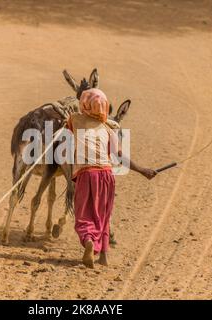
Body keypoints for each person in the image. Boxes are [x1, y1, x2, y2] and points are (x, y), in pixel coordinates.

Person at [67, 88, 156, 268]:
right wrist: (143, 170)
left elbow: (67, 127)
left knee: (84, 215)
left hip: (87, 173)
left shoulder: (75, 120)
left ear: (85, 103)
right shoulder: (109, 130)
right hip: (107, 175)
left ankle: (89, 240)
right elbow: (120, 156)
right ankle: (104, 257)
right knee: (104, 215)